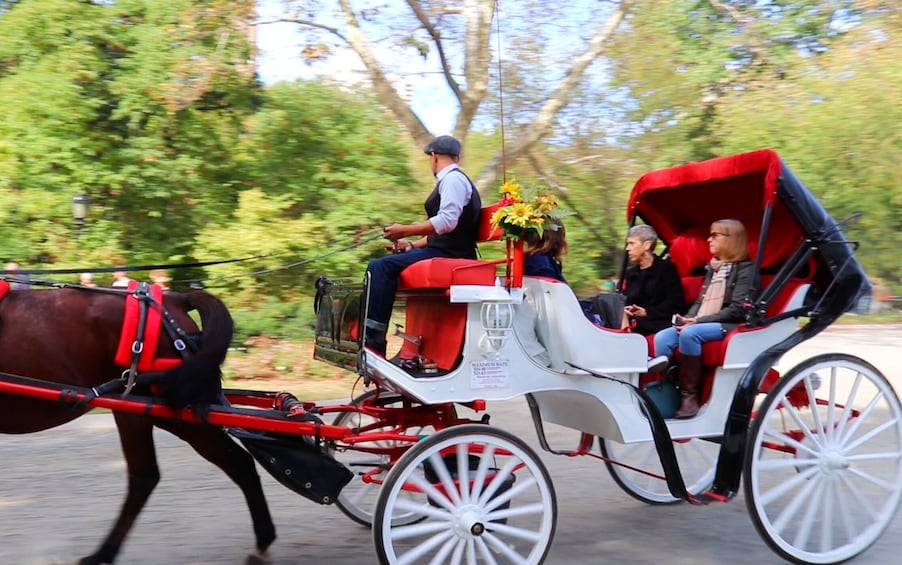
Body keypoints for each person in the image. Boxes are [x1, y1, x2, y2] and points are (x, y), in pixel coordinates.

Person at [364, 135, 482, 356]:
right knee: (383, 266)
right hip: (445, 248)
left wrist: (405, 229)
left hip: (452, 254)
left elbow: (447, 222)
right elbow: (444, 233)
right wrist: (411, 245)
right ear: (457, 157)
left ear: (434, 157)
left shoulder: (453, 180)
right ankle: (373, 336)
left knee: (380, 267)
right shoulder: (452, 180)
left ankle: (373, 340)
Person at [653, 219, 755, 418]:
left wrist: (697, 322)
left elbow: (737, 310)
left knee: (690, 334)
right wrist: (688, 318)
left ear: (732, 239)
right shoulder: (714, 268)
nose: (709, 240)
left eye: (715, 235)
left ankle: (689, 395)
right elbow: (701, 302)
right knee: (663, 337)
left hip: (731, 323)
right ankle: (668, 387)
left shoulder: (746, 269)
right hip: (704, 320)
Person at [620, 225, 684, 335]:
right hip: (634, 319)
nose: (627, 248)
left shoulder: (667, 269)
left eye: (632, 243)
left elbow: (674, 302)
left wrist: (647, 312)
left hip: (659, 319)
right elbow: (628, 299)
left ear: (647, 245)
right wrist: (627, 309)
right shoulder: (631, 273)